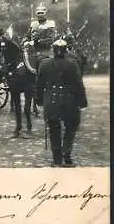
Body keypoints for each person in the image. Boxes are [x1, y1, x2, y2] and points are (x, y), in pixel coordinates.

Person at [36, 39, 88, 167]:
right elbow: (78, 85)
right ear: (66, 50)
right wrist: (82, 102)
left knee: (54, 129)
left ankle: (57, 159)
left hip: (51, 102)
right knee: (71, 127)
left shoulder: (44, 63)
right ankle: (66, 154)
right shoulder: (72, 63)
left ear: (53, 50)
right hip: (69, 102)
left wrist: (39, 100)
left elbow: (39, 85)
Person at [22, 4, 59, 69]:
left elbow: (50, 39)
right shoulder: (33, 24)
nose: (40, 14)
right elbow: (27, 35)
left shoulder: (50, 24)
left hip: (46, 51)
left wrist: (37, 42)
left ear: (45, 13)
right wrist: (25, 41)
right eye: (38, 13)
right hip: (32, 51)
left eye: (42, 13)